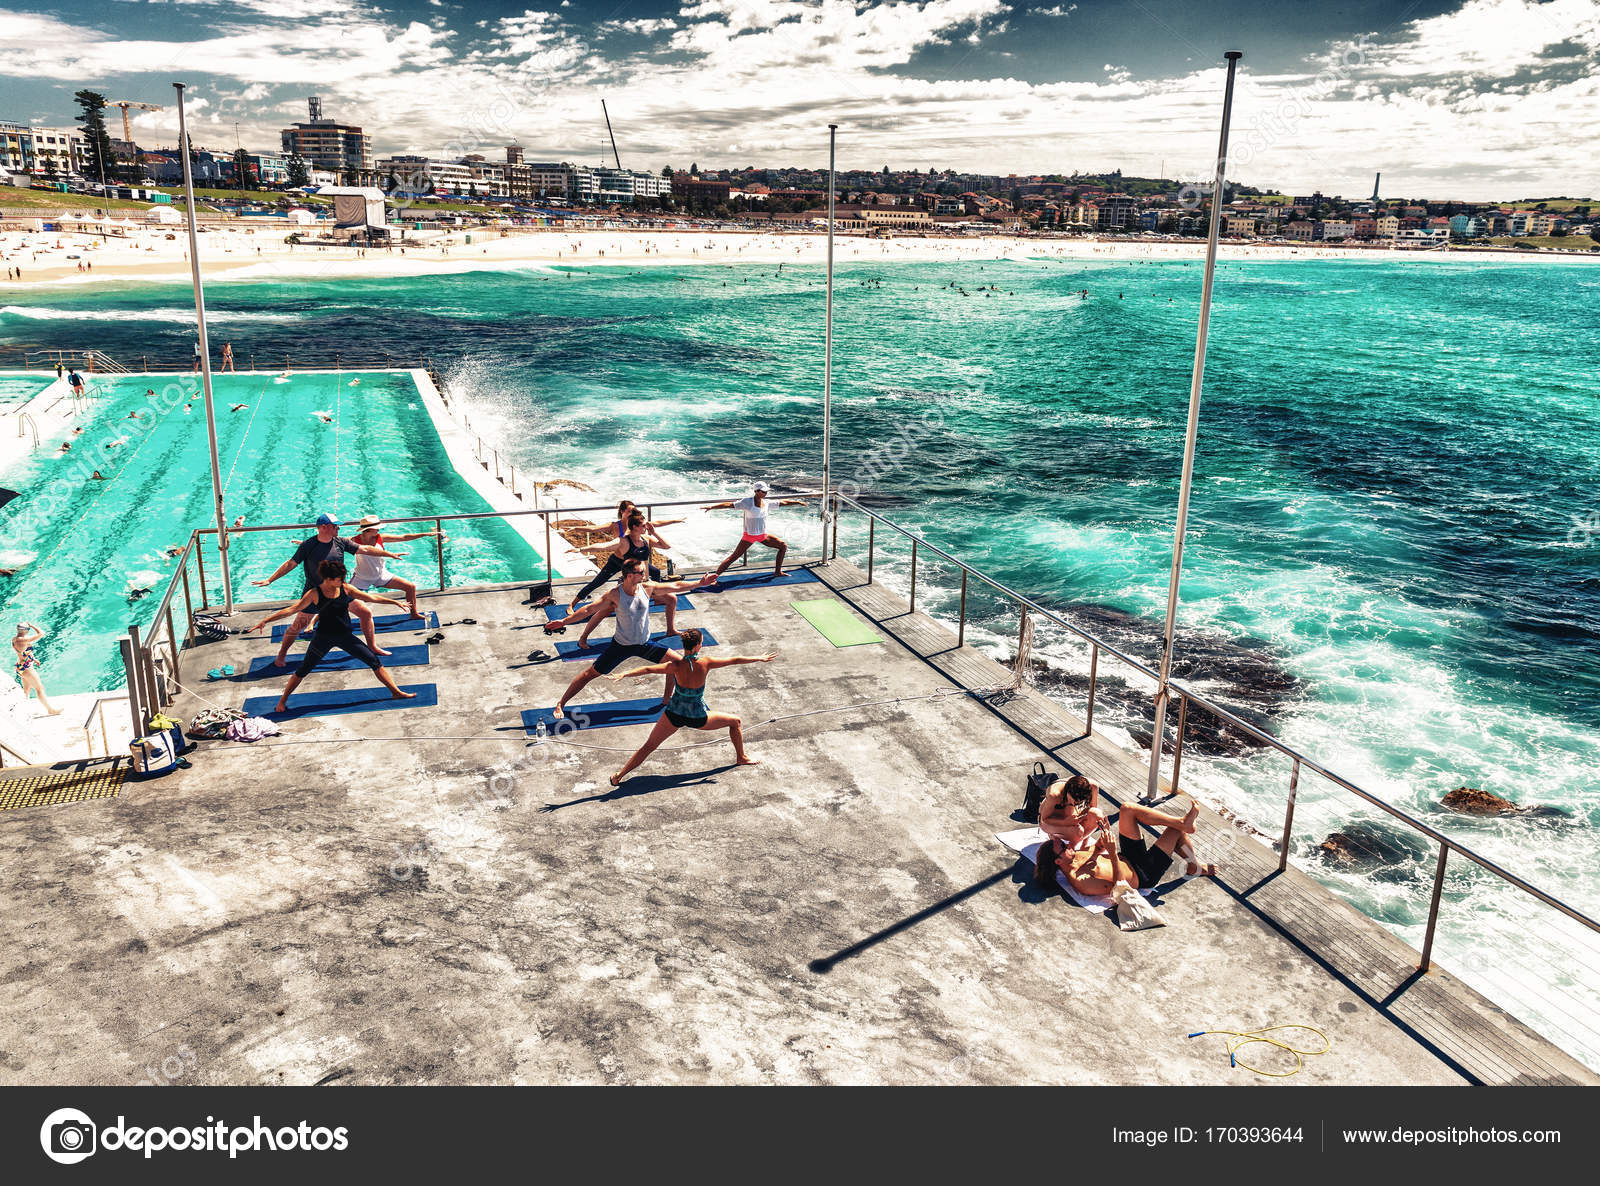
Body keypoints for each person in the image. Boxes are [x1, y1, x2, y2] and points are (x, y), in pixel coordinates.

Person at [541, 559, 713, 719]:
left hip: (644, 643)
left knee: (677, 664)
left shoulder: (647, 587)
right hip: (621, 646)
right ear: (630, 575)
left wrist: (699, 583)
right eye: (641, 572)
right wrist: (563, 621)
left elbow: (675, 585)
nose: (644, 574)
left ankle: (667, 700)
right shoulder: (615, 595)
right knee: (589, 674)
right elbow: (588, 610)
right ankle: (561, 703)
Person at [601, 628, 772, 786]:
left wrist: (624, 673)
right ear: (698, 645)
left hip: (673, 714)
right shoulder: (706, 662)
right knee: (735, 722)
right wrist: (758, 657)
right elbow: (734, 660)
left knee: (648, 746)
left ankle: (618, 776)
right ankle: (741, 757)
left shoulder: (675, 665)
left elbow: (648, 669)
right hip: (697, 717)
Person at [247, 560, 417, 714]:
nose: (342, 581)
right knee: (302, 671)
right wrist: (265, 620)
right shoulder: (314, 593)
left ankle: (396, 692)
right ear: (328, 578)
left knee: (374, 661)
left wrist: (395, 602)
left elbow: (371, 597)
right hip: (323, 638)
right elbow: (292, 609)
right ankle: (282, 702)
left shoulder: (346, 589)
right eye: (339, 579)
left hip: (345, 636)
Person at [251, 512, 401, 666]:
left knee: (365, 613)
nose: (338, 528)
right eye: (335, 526)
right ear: (323, 527)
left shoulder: (340, 542)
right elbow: (291, 563)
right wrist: (270, 580)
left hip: (338, 592)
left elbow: (366, 549)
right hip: (316, 595)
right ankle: (281, 655)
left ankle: (372, 646)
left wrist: (389, 554)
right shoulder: (308, 545)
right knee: (297, 626)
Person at [1051, 793, 1216, 898]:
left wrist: (1104, 838)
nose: (1069, 846)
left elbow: (1097, 850)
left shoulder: (1076, 855)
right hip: (1143, 874)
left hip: (1128, 856)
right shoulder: (1080, 883)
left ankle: (1182, 822)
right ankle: (1194, 865)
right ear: (1058, 861)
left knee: (1127, 809)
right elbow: (1120, 888)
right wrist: (1112, 853)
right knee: (1176, 832)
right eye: (1064, 848)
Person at [571, 512, 680, 629]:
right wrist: (581, 549)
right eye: (643, 525)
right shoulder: (623, 541)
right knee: (602, 610)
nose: (646, 527)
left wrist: (654, 533)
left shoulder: (646, 539)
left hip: (646, 583)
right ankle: (581, 633)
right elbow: (604, 546)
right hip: (631, 584)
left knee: (672, 598)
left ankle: (671, 630)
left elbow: (666, 546)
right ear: (634, 527)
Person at [349, 514, 444, 619]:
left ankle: (414, 614)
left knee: (410, 587)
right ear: (368, 529)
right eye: (376, 528)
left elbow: (404, 537)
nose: (379, 531)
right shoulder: (352, 541)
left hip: (381, 575)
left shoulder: (381, 537)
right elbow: (335, 542)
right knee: (344, 598)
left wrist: (424, 534)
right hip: (362, 577)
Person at [703, 480, 789, 577]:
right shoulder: (747, 502)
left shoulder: (767, 503)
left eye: (766, 491)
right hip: (750, 536)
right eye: (763, 491)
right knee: (734, 557)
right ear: (756, 491)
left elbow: (783, 502)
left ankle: (777, 572)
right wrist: (712, 507)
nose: (766, 493)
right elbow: (729, 504)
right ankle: (713, 578)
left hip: (763, 536)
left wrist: (798, 502)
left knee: (783, 546)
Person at [12, 621, 61, 715]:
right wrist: (31, 625)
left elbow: (23, 652)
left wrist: (33, 659)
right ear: (26, 630)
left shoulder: (15, 639)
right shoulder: (24, 640)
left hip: (20, 667)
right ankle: (51, 710)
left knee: (26, 690)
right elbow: (41, 633)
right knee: (39, 689)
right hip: (27, 668)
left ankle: (26, 711)